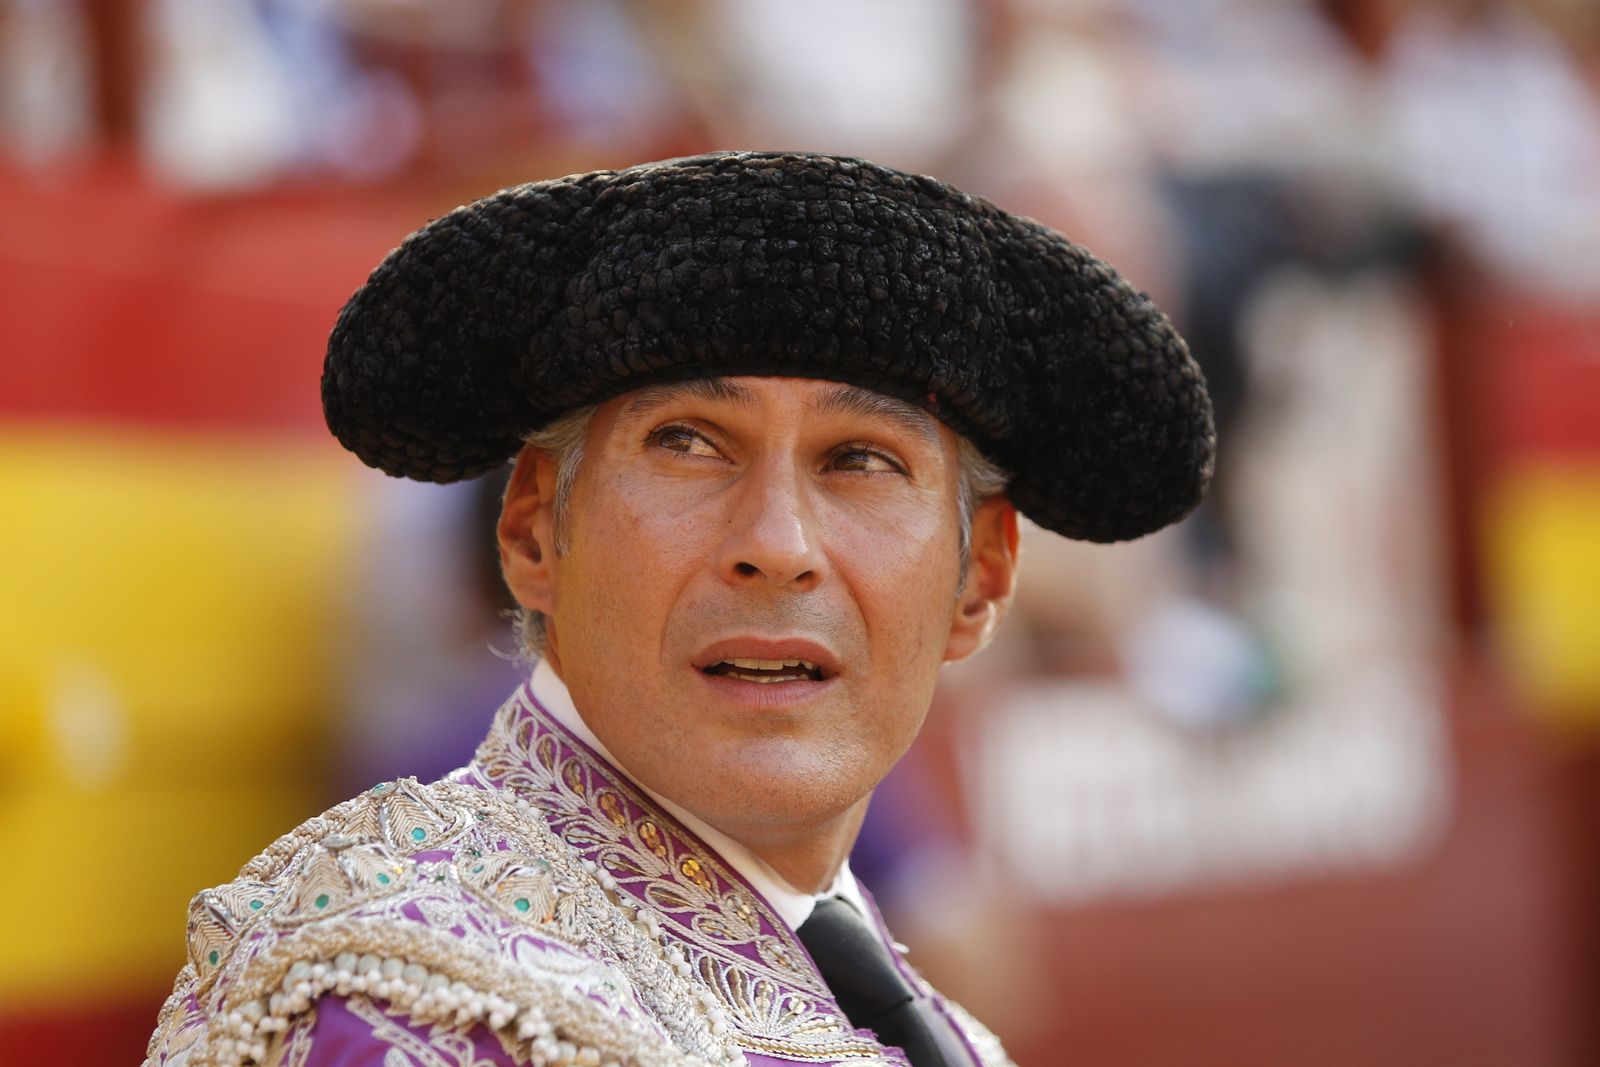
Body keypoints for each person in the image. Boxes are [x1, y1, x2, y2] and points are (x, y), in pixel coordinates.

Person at [143, 151, 1213, 1067]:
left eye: (860, 460)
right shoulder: (412, 999)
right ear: (531, 533)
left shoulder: (920, 1019)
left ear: (978, 579)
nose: (778, 546)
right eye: (688, 444)